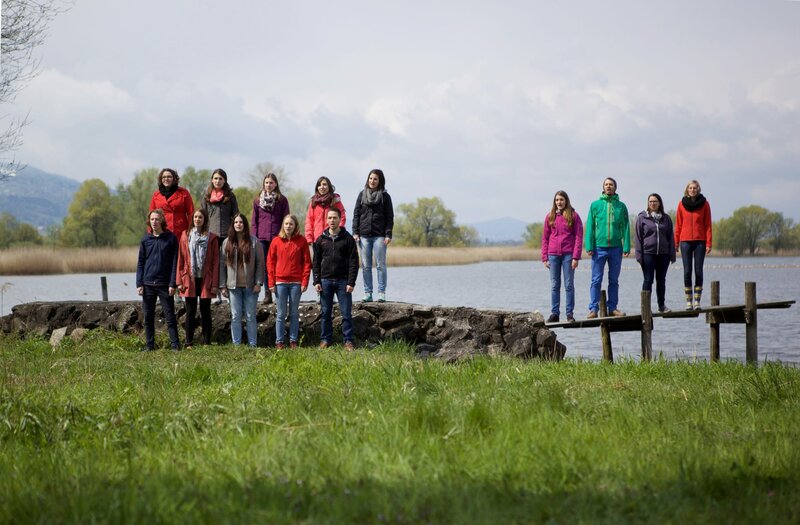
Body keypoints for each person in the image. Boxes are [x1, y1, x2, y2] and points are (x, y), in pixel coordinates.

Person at [584, 177, 631, 318]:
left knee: (614, 279)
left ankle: (612, 308)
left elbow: (626, 227)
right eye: (606, 184)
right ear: (603, 187)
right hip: (599, 248)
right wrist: (589, 245)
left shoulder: (621, 206)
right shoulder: (595, 205)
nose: (608, 186)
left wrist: (626, 246)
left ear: (615, 188)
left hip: (616, 248)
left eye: (611, 185)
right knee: (596, 279)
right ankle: (593, 309)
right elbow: (590, 227)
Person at [313, 207, 359, 350]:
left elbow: (354, 262)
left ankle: (348, 341)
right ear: (326, 220)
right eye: (329, 218)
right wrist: (316, 281)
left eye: (334, 218)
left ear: (340, 219)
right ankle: (325, 340)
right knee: (326, 313)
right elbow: (316, 262)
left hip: (343, 281)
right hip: (325, 281)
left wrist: (351, 282)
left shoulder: (348, 239)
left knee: (346, 313)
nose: (332, 220)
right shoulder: (320, 240)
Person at [136, 208, 180, 351]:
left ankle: (175, 345)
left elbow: (175, 262)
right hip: (148, 284)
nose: (154, 222)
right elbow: (141, 262)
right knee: (148, 317)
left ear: (162, 220)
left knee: (170, 316)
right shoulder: (145, 239)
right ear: (149, 221)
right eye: (152, 219)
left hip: (164, 284)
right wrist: (139, 283)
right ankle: (150, 345)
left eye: (157, 219)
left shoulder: (171, 238)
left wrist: (173, 283)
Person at [176, 208, 220, 348]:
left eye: (200, 217)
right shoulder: (186, 235)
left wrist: (215, 283)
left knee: (205, 311)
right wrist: (179, 281)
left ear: (204, 219)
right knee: (190, 310)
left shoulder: (212, 238)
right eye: (195, 217)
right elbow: (181, 259)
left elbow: (216, 262)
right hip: (190, 277)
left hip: (206, 277)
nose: (197, 220)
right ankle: (189, 342)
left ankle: (207, 342)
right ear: (192, 219)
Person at [220, 213, 265, 347]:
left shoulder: (254, 241)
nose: (238, 224)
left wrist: (258, 283)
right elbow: (221, 265)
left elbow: (260, 263)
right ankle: (237, 345)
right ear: (233, 225)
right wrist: (222, 285)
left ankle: (252, 345)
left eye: (241, 222)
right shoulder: (226, 242)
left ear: (245, 225)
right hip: (233, 287)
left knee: (251, 316)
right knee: (235, 316)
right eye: (236, 222)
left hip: (250, 287)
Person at [267, 214, 311, 349]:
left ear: (295, 226)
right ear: (283, 225)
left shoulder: (302, 241)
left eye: (291, 224)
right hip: (280, 283)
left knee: (293, 313)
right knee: (280, 313)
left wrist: (305, 282)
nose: (288, 226)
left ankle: (293, 341)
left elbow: (307, 263)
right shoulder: (276, 241)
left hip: (296, 283)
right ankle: (279, 342)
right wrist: (271, 283)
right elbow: (270, 263)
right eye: (286, 224)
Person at [352, 168, 394, 303]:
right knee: (366, 266)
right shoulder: (361, 195)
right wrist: (355, 232)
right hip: (363, 235)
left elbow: (389, 217)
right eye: (370, 178)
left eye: (375, 179)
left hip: (380, 236)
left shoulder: (385, 197)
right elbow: (356, 214)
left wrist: (388, 234)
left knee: (381, 265)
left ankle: (381, 293)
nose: (372, 181)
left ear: (380, 181)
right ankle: (368, 293)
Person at [541, 190, 583, 323]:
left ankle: (569, 314)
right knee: (554, 285)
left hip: (568, 255)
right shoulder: (550, 217)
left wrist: (576, 257)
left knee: (569, 285)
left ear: (566, 201)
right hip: (553, 255)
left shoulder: (574, 216)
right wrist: (544, 257)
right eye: (557, 200)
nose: (559, 202)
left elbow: (578, 237)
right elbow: (545, 238)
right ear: (555, 202)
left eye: (561, 200)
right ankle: (555, 314)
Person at [201, 168, 238, 305]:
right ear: (212, 180)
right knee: (213, 265)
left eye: (221, 179)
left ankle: (228, 291)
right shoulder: (206, 197)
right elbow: (202, 217)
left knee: (228, 263)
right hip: (211, 236)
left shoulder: (230, 196)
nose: (218, 181)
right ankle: (215, 293)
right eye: (216, 178)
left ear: (225, 180)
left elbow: (236, 215)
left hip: (227, 235)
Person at [252, 172, 289, 305]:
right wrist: (254, 237)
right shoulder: (257, 200)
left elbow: (286, 219)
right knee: (264, 266)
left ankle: (279, 292)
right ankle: (267, 293)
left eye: (271, 182)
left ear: (276, 184)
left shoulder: (282, 200)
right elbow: (254, 221)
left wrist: (284, 235)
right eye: (267, 182)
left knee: (277, 265)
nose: (269, 185)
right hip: (261, 238)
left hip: (277, 237)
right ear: (264, 184)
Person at [635, 193, 676, 313]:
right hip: (648, 253)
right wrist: (639, 255)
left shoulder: (666, 218)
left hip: (664, 254)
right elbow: (638, 238)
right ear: (648, 203)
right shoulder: (642, 218)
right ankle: (645, 307)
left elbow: (670, 237)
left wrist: (672, 255)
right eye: (650, 201)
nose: (652, 203)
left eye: (655, 201)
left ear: (659, 203)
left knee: (661, 280)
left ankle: (661, 305)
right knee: (648, 280)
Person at [674, 180, 712, 310]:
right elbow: (678, 225)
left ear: (698, 189)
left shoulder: (705, 204)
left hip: (700, 241)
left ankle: (697, 301)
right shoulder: (681, 204)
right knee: (687, 271)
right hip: (685, 242)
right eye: (690, 188)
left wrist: (709, 242)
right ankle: (688, 301)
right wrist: (676, 242)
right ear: (687, 190)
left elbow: (708, 224)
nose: (692, 190)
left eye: (695, 188)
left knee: (698, 271)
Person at [149, 168, 194, 244]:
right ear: (161, 179)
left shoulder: (183, 193)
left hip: (181, 232)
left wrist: (191, 230)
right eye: (164, 177)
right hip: (162, 232)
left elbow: (191, 213)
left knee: (180, 255)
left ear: (174, 178)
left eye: (169, 177)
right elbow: (151, 215)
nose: (166, 179)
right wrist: (150, 232)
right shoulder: (156, 195)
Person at [305, 176, 346, 245]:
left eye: (324, 184)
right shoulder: (313, 202)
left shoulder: (335, 200)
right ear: (317, 188)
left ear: (329, 186)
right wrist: (309, 237)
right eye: (319, 185)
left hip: (333, 238)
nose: (322, 187)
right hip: (317, 239)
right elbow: (309, 221)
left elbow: (342, 217)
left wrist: (338, 232)